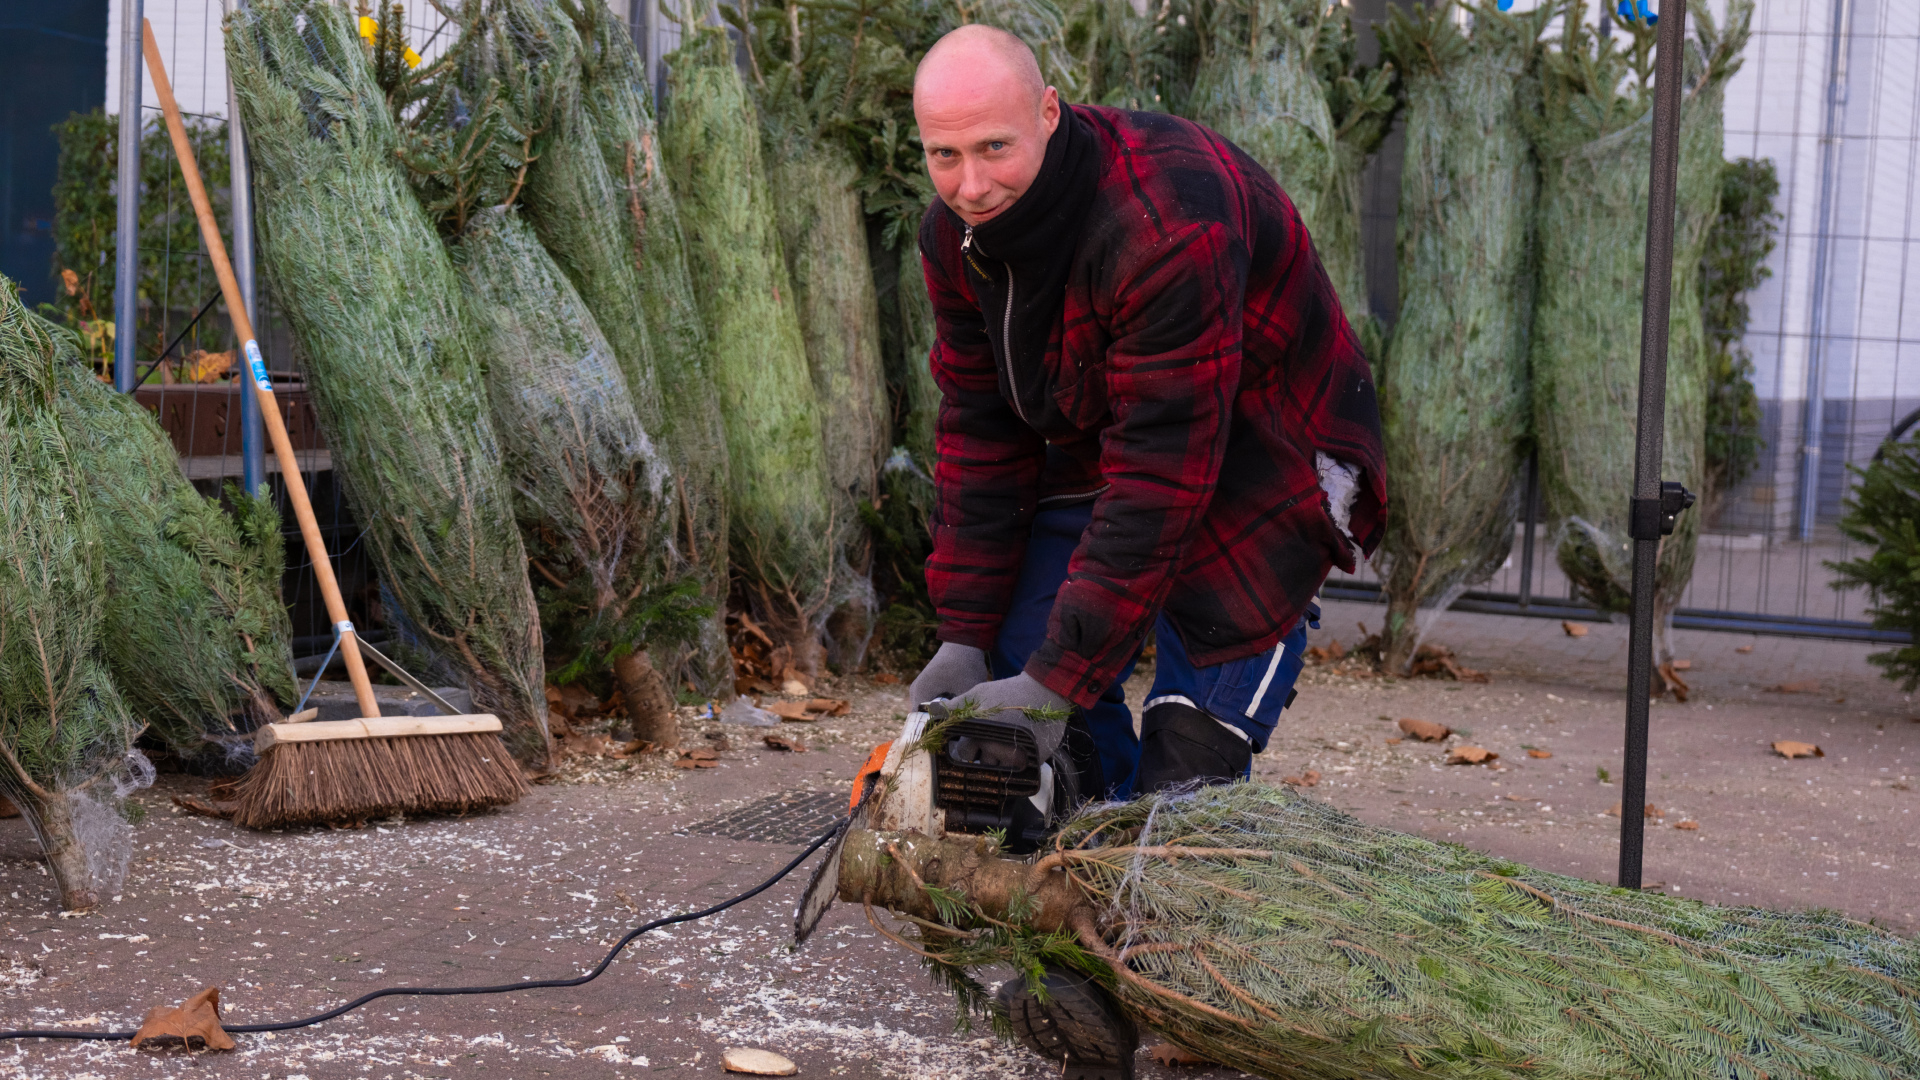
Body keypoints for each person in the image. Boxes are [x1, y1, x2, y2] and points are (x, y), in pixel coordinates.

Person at [903, 29, 1387, 1077]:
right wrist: (966, 635)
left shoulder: (1167, 220)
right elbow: (980, 431)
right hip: (1110, 439)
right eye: (944, 156)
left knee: (1189, 754)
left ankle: (1170, 964)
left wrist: (1058, 674)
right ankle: (1089, 940)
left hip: (1261, 450)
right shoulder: (955, 239)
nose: (970, 185)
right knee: (1032, 687)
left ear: (1049, 112)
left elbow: (1166, 477)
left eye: (994, 148)